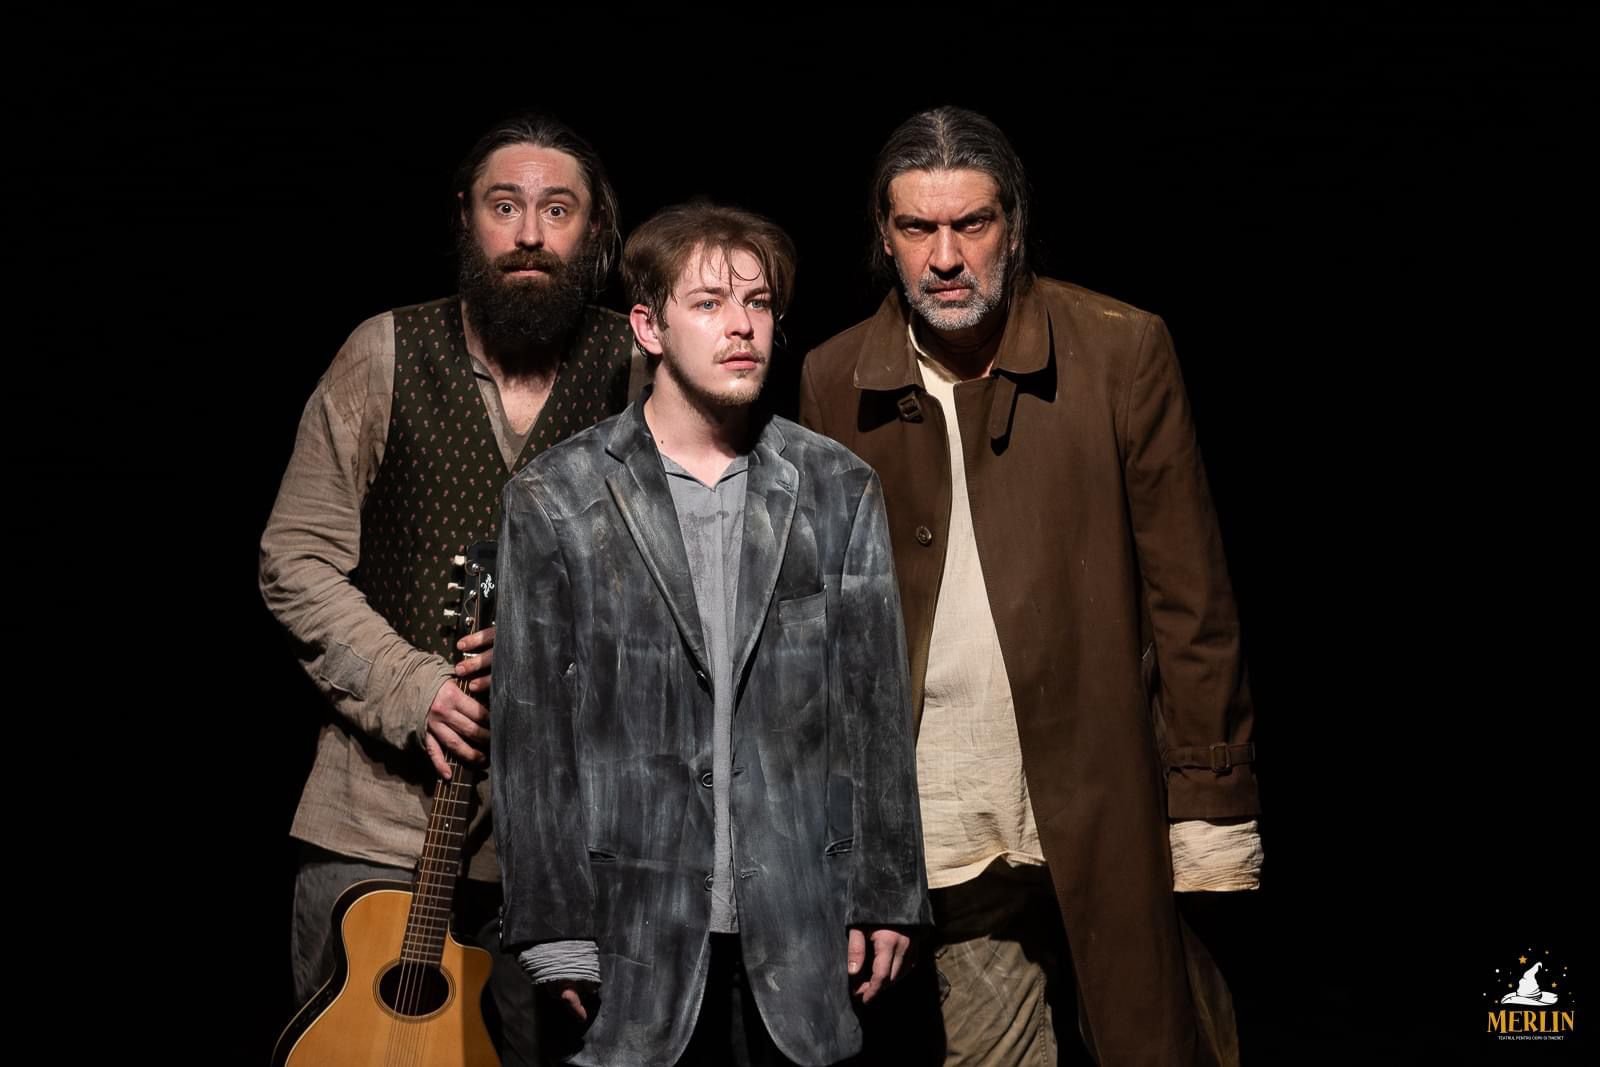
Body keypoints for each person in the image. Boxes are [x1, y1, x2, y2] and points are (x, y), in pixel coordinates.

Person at [798, 106, 1262, 1066]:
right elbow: (823, 631)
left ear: (1013, 225)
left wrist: (1209, 797)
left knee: (1153, 1037)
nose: (946, 257)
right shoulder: (833, 378)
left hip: (1107, 795)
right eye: (918, 227)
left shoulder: (1122, 349)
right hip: (944, 805)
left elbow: (1192, 603)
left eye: (971, 223)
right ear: (884, 236)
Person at [492, 201, 931, 1066]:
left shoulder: (836, 487)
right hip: (631, 930)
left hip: (801, 926)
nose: (742, 326)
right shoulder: (557, 497)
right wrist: (553, 924)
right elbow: (531, 733)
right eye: (709, 303)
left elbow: (875, 706)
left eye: (758, 303)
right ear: (647, 327)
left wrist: (888, 891)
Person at [259, 112, 636, 1063]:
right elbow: (295, 558)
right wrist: (413, 686)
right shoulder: (383, 352)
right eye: (504, 206)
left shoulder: (637, 370)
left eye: (558, 210)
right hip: (374, 824)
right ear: (466, 219)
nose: (529, 233)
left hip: (562, 847)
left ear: (595, 231)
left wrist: (563, 654)